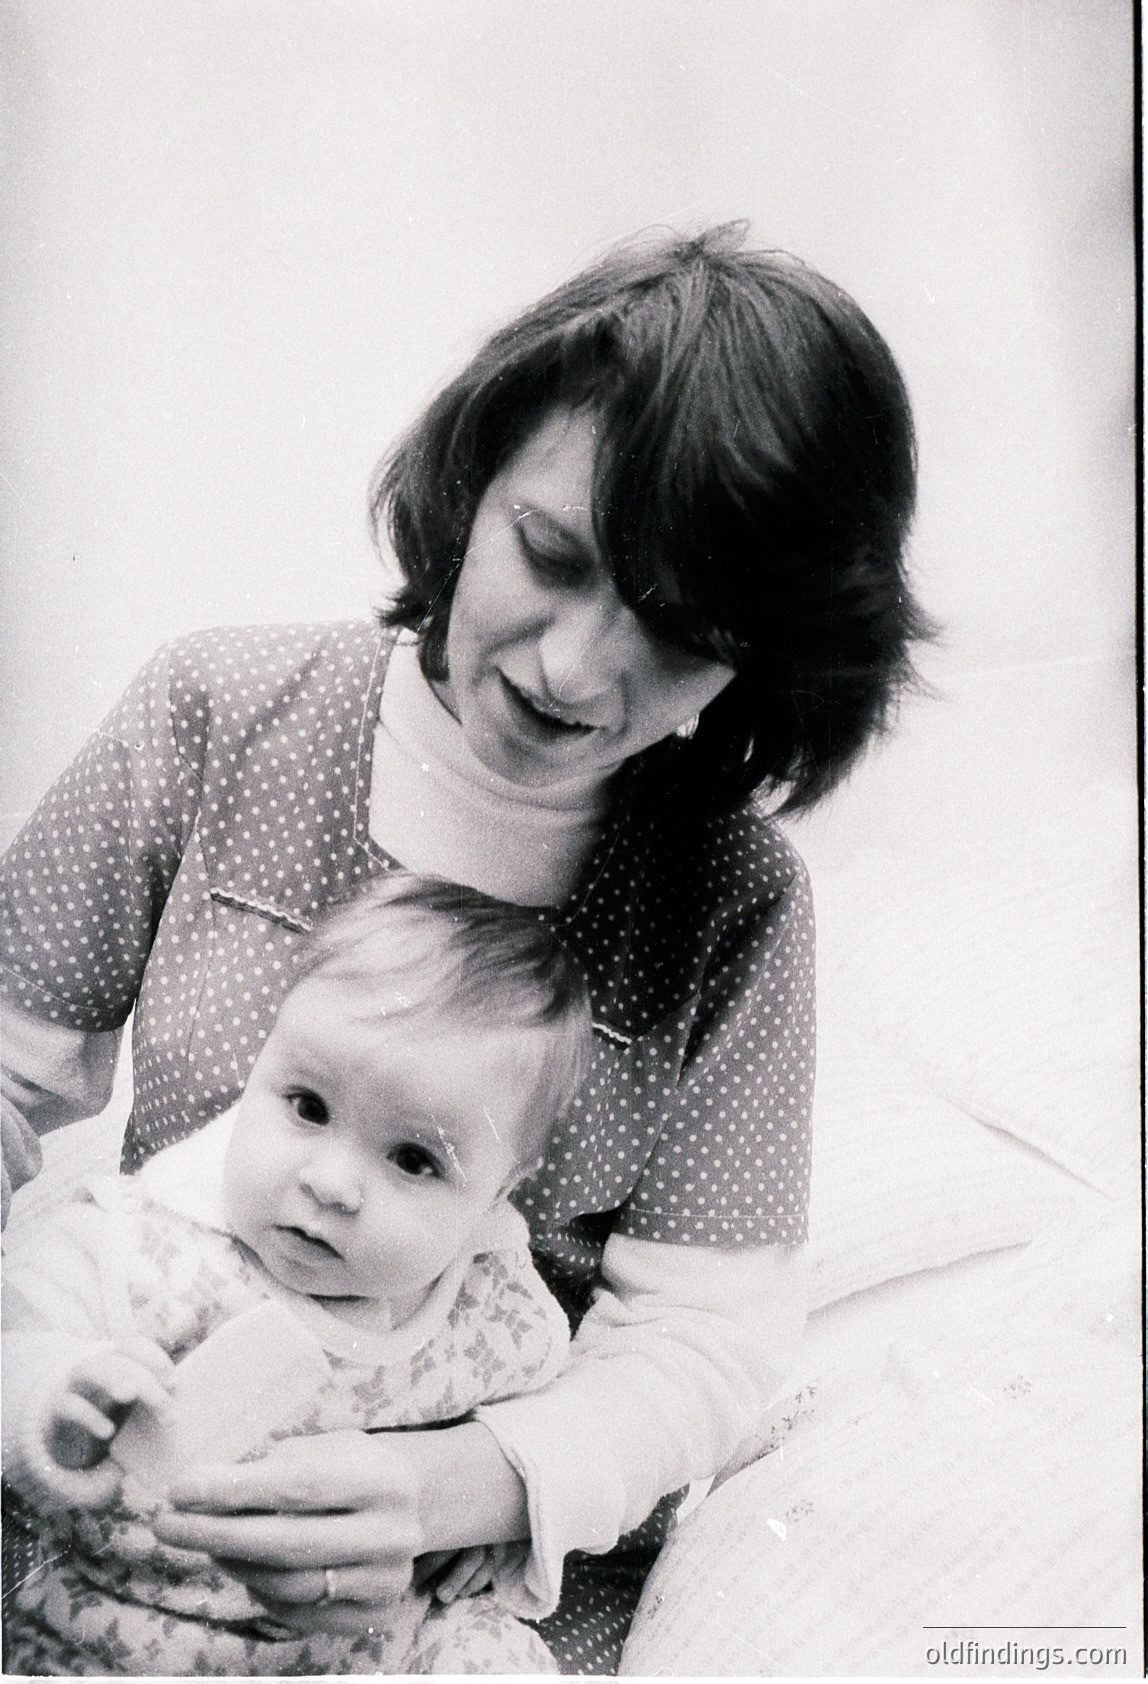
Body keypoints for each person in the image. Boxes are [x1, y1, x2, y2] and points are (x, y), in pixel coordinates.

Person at [0, 223, 927, 1674]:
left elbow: (705, 1346)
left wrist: (434, 1497)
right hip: (129, 1480)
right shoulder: (214, 713)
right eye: (548, 557)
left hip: (441, 1564)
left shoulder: (734, 903)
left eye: (682, 631)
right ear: (468, 481)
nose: (574, 669)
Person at [2, 875, 591, 1675]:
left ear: (501, 1190)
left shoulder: (495, 1312)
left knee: (494, 1654)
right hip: (125, 1618)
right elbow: (14, 1333)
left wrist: (496, 1528)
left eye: (414, 1159)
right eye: (308, 1107)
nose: (331, 1183)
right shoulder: (137, 1242)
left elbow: (535, 1428)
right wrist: (56, 1397)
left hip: (370, 1641)